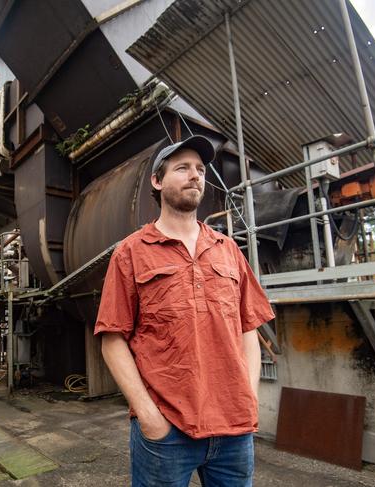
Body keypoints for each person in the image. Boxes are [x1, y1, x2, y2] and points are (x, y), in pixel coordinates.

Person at [94, 135, 275, 486]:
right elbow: (112, 339)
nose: (195, 176)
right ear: (157, 181)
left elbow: (247, 329)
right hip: (167, 432)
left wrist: (250, 397)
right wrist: (148, 416)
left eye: (200, 170)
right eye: (182, 168)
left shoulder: (228, 250)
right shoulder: (131, 253)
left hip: (234, 430)